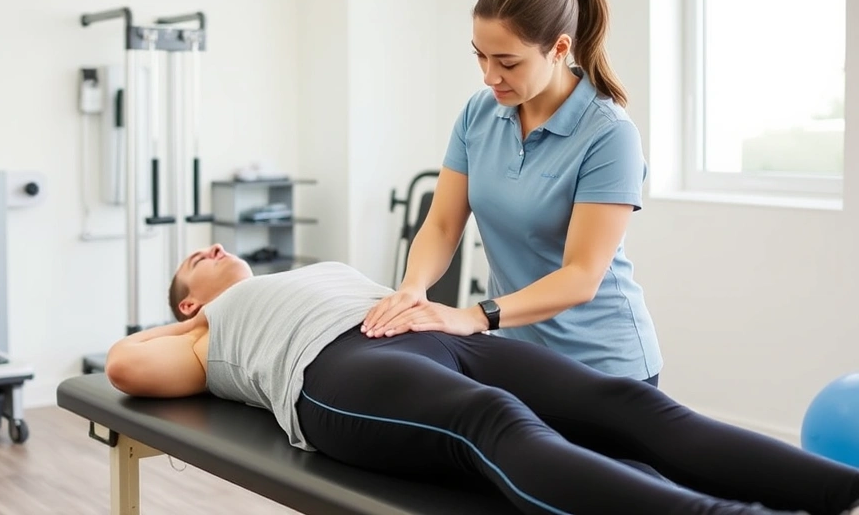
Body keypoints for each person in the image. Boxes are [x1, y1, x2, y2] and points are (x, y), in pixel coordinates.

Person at [105, 243, 859, 515]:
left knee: (627, 402)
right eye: (193, 266)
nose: (209, 246)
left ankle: (840, 490)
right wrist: (196, 319)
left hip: (436, 331)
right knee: (493, 421)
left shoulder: (310, 268)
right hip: (336, 371)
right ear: (188, 302)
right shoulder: (207, 332)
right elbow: (123, 365)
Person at [362, 0, 662, 385]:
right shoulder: (478, 114)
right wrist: (412, 287)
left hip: (603, 368)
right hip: (518, 356)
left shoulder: (610, 135)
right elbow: (444, 224)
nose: (489, 76)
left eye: (507, 62)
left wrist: (475, 316)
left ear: (559, 49)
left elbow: (581, 276)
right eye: (480, 56)